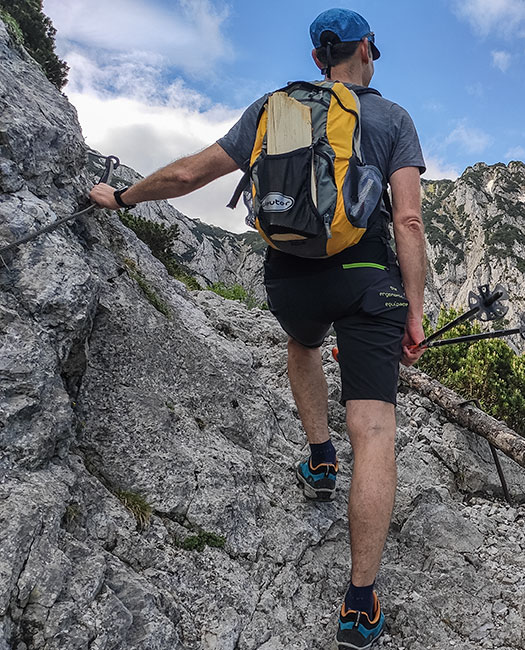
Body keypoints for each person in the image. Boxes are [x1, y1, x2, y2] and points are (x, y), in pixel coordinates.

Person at [89, 8, 426, 649]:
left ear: (318, 59)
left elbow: (192, 174)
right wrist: (413, 311)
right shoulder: (393, 119)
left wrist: (123, 197)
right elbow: (407, 223)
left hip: (290, 273)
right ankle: (359, 604)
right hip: (365, 274)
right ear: (368, 52)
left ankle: (321, 461)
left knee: (301, 343)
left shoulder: (278, 108)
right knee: (375, 426)